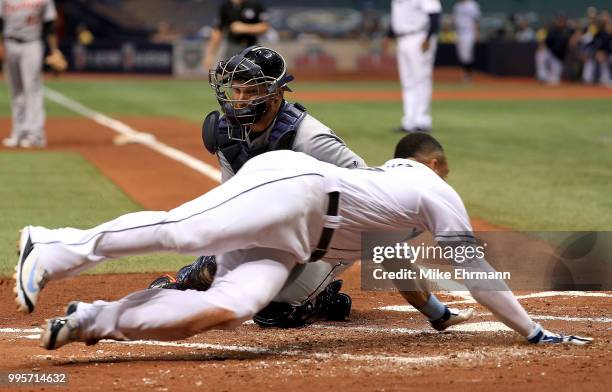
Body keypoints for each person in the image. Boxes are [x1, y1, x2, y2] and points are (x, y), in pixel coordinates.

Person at [14, 135, 592, 349]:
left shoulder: (394, 202)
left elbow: (395, 264)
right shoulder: (426, 184)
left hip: (296, 242)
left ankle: (93, 320)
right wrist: (532, 331)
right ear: (434, 163)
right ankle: (50, 245)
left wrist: (438, 313)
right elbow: (472, 268)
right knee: (190, 229)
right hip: (299, 190)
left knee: (233, 307)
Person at [149, 46, 471, 330]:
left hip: (331, 238)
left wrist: (431, 307)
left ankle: (324, 298)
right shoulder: (227, 135)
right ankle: (188, 279)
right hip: (282, 229)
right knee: (215, 264)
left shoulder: (310, 140)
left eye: (251, 91)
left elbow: (377, 201)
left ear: (276, 93)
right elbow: (232, 206)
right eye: (237, 91)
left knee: (275, 313)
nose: (241, 100)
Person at [0, 0, 63, 148]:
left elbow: (50, 25)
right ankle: (19, 132)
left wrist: (55, 50)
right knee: (15, 91)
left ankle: (36, 135)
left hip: (32, 44)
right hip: (10, 43)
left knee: (32, 89)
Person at [387, 0, 441, 133]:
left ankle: (422, 121)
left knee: (421, 80)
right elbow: (397, 16)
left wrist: (428, 38)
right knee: (408, 82)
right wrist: (389, 35)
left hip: (419, 37)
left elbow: (435, 15)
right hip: (402, 38)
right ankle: (409, 122)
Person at [203, 0, 269, 70]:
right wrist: (210, 55)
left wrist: (244, 28)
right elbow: (218, 31)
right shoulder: (225, 6)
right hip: (232, 48)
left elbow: (265, 26)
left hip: (251, 48)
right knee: (229, 75)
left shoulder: (255, 4)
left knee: (252, 75)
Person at [535, 14, 574, 85]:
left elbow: (577, 32)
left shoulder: (568, 30)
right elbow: (545, 41)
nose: (560, 22)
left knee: (554, 82)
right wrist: (542, 46)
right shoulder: (552, 30)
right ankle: (542, 76)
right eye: (559, 20)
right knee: (540, 54)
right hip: (550, 53)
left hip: (558, 58)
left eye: (562, 21)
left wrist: (573, 39)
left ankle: (548, 78)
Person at [452, 0, 480, 81]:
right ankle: (465, 72)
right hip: (459, 31)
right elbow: (454, 19)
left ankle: (468, 73)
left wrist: (477, 32)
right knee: (461, 54)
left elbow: (476, 19)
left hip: (469, 31)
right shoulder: (457, 6)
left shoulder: (472, 4)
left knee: (467, 53)